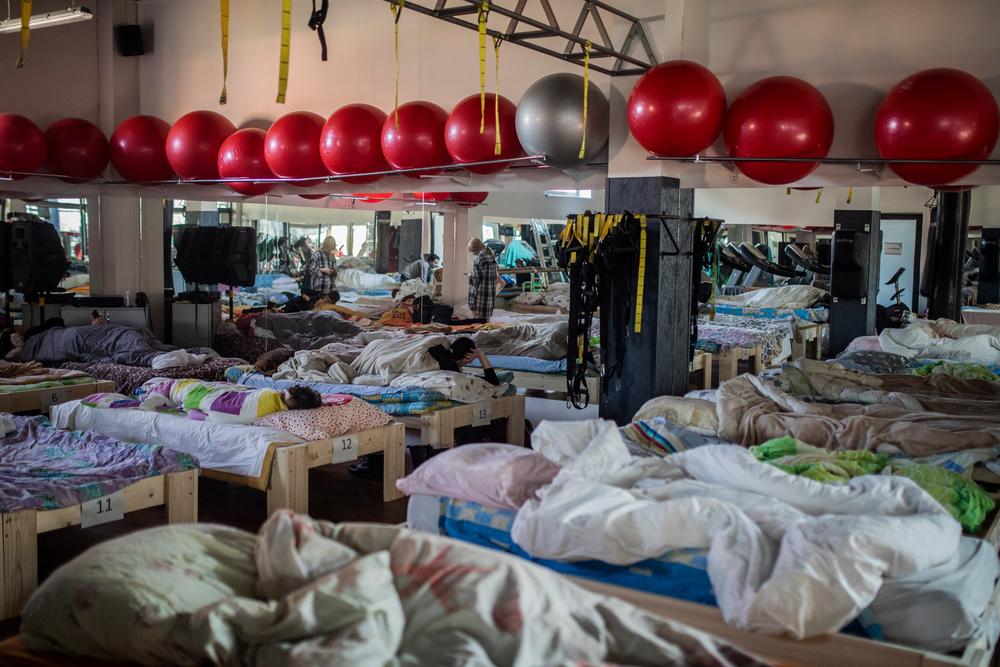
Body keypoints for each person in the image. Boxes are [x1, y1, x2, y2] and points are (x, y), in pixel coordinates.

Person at [428, 337, 500, 386]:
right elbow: (493, 382)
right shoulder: (454, 373)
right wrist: (481, 355)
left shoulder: (438, 352)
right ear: (467, 358)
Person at [467, 237, 499, 320]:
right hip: (489, 296)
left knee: (478, 323)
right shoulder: (491, 256)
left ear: (474, 248)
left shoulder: (479, 258)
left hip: (480, 296)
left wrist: (469, 276)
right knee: (486, 323)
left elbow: (477, 278)